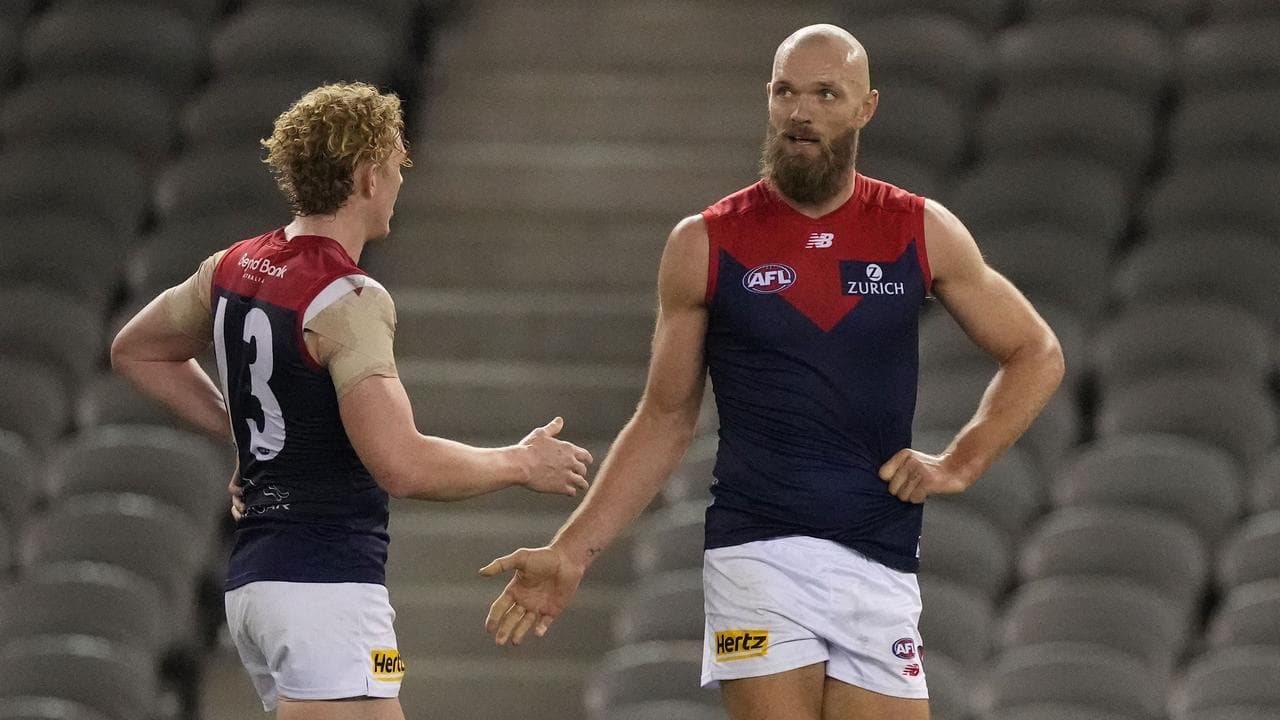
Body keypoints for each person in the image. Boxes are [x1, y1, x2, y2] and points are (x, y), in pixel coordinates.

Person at [480, 24, 1064, 720]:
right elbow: (665, 418)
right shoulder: (706, 242)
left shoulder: (918, 229)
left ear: (866, 108)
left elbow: (1036, 353)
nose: (801, 111)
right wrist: (571, 551)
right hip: (757, 553)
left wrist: (962, 461)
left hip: (879, 554)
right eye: (786, 92)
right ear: (768, 99)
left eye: (825, 93)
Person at [111, 82, 593, 720]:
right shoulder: (348, 298)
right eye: (396, 168)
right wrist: (519, 462)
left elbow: (135, 348)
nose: (399, 182)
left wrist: (247, 433)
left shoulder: (230, 268)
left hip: (268, 585)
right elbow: (403, 465)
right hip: (324, 587)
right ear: (368, 177)